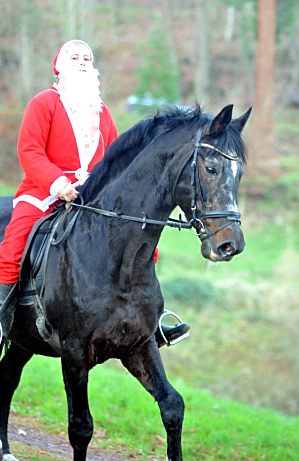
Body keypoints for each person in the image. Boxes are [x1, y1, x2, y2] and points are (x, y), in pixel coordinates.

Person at [0, 40, 189, 346]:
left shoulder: (100, 110)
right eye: (74, 57)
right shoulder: (43, 103)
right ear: (58, 65)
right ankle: (2, 319)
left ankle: (151, 325)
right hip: (44, 191)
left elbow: (118, 159)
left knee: (141, 243)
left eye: (87, 57)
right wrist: (58, 183)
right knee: (13, 243)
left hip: (92, 196)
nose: (82, 62)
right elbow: (30, 150)